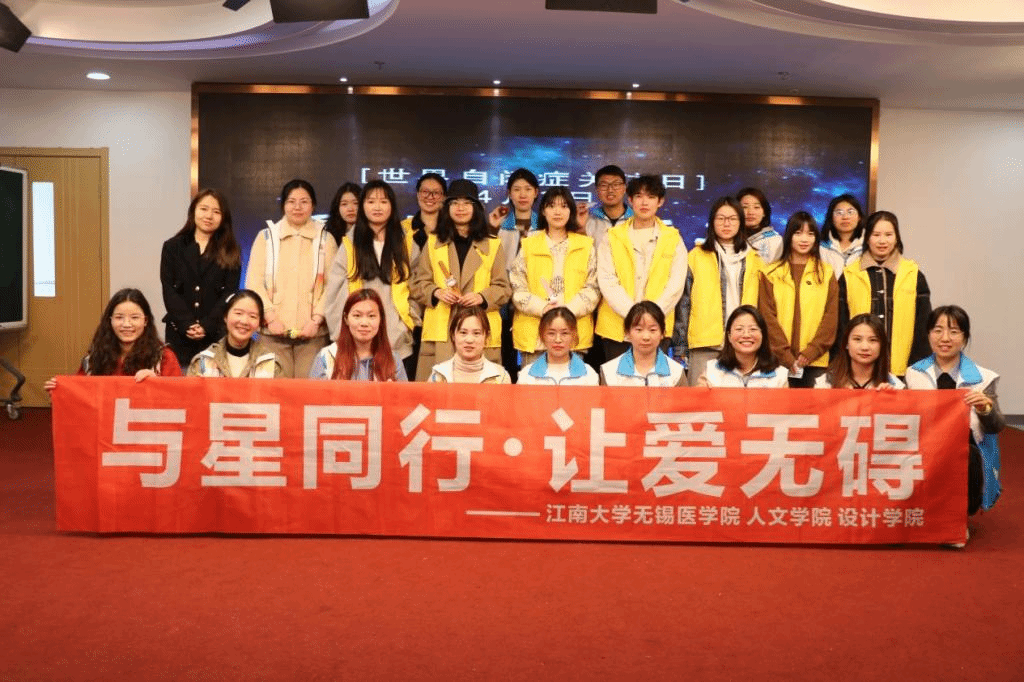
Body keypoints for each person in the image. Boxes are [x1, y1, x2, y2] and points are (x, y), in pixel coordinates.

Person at [905, 305, 1005, 515]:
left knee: (969, 458)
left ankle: (958, 516)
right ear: (928, 334)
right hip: (924, 444)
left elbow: (995, 426)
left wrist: (985, 408)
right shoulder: (913, 373)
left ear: (965, 338)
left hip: (965, 447)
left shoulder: (982, 377)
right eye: (938, 330)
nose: (945, 338)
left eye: (954, 331)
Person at [411, 179, 511, 381]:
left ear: (476, 208)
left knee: (481, 392)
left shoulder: (493, 245)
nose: (460, 208)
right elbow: (418, 283)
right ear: (447, 208)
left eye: (467, 203)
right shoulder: (433, 242)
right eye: (455, 203)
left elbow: (503, 288)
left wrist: (482, 297)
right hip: (441, 331)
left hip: (479, 330)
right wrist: (436, 292)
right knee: (437, 392)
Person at [245, 178, 338, 378]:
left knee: (309, 390)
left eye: (304, 202)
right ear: (283, 205)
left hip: (313, 335)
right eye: (291, 201)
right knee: (275, 390)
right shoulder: (266, 237)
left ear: (313, 205)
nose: (297, 207)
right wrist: (270, 318)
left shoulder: (326, 239)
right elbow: (254, 282)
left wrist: (317, 320)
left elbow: (333, 286)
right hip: (272, 334)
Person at [323, 180, 416, 376]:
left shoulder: (406, 242)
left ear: (392, 206)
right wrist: (343, 335)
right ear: (363, 206)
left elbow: (417, 287)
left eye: (383, 201)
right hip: (356, 343)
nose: (377, 207)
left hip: (398, 342)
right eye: (371, 201)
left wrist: (406, 325)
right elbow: (334, 293)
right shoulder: (350, 244)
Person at [673, 196, 765, 386]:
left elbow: (763, 305)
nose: (726, 224)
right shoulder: (696, 256)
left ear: (741, 222)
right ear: (712, 222)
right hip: (705, 342)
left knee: (738, 400)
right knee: (700, 399)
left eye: (732, 219)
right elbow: (684, 303)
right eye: (720, 218)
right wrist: (680, 345)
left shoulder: (755, 258)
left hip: (744, 343)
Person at [596, 174, 687, 360]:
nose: (644, 202)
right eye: (639, 196)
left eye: (651, 197)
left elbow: (676, 284)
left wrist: (652, 316)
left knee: (654, 377)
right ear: (630, 200)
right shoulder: (612, 236)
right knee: (617, 378)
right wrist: (634, 315)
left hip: (657, 327)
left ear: (660, 202)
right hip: (616, 329)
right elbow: (607, 280)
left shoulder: (673, 238)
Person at [510, 186, 599, 367]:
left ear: (571, 211)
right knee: (532, 384)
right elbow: (517, 287)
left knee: (572, 383)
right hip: (534, 335)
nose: (557, 212)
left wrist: (566, 312)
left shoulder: (586, 245)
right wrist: (543, 308)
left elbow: (594, 288)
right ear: (543, 211)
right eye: (551, 206)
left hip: (573, 333)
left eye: (564, 206)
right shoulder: (529, 245)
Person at [838, 210, 930, 377]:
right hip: (858, 371)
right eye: (876, 235)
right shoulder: (850, 275)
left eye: (888, 235)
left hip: (903, 369)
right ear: (867, 238)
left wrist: (916, 367)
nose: (882, 241)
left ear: (897, 238)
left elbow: (923, 326)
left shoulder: (913, 274)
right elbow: (841, 326)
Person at [159, 188, 242, 368]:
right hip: (179, 333)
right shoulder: (173, 247)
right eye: (204, 209)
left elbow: (230, 293)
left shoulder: (231, 251)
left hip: (215, 334)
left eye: (216, 211)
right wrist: (187, 323)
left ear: (223, 217)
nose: (209, 216)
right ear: (193, 211)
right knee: (178, 382)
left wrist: (206, 325)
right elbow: (169, 289)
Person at [758, 211, 838, 388]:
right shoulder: (770, 273)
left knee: (815, 406)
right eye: (798, 233)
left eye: (810, 234)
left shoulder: (826, 273)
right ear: (789, 236)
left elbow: (831, 317)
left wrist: (812, 351)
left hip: (815, 362)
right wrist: (785, 355)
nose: (804, 239)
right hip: (776, 361)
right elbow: (766, 317)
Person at [44, 288, 181, 391]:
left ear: (145, 321)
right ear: (110, 321)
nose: (126, 324)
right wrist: (60, 389)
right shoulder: (95, 357)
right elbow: (79, 391)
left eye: (134, 317)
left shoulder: (164, 358)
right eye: (119, 317)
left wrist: (158, 384)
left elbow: (180, 397)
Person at [310, 289, 407, 381]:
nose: (364, 323)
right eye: (357, 315)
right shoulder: (327, 357)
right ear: (346, 319)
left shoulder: (393, 360)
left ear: (381, 319)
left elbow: (404, 393)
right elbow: (313, 392)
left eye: (371, 316)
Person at [187, 289, 281, 378]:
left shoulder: (269, 362)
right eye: (238, 313)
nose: (244, 321)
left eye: (252, 316)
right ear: (225, 317)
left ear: (259, 323)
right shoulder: (203, 361)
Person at [600, 301, 685, 387]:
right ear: (627, 333)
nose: (646, 337)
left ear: (662, 333)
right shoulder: (609, 371)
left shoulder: (676, 372)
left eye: (652, 330)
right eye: (639, 330)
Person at [699, 305, 788, 388]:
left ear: (763, 335)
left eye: (753, 329)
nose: (746, 335)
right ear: (729, 336)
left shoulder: (779, 375)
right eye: (739, 329)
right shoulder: (712, 370)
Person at [815, 313, 903, 389]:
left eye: (873, 340)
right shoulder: (826, 382)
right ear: (846, 343)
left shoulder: (894, 385)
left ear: (882, 345)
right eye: (857, 339)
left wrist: (890, 399)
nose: (865, 347)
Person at [517, 307, 599, 385]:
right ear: (542, 336)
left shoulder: (588, 375)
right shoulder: (527, 375)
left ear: (574, 336)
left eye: (564, 333)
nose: (558, 340)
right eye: (551, 333)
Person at [428, 306, 510, 383]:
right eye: (463, 333)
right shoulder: (438, 376)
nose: (469, 340)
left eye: (476, 333)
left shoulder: (500, 377)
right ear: (453, 336)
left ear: (486, 337)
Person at [579, 164, 633, 250]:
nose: (610, 190)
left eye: (616, 184)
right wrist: (581, 229)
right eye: (604, 185)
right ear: (597, 189)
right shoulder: (588, 221)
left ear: (624, 188)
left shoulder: (636, 220)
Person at [401, 172, 447, 264]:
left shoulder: (451, 229)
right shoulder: (402, 228)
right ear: (418, 194)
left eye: (436, 193)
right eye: (425, 192)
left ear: (444, 197)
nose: (430, 197)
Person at [819, 193, 865, 279]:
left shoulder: (869, 246)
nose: (845, 217)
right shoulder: (821, 247)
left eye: (850, 212)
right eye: (839, 213)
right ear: (831, 218)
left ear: (859, 217)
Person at [736, 187, 782, 263]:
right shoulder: (729, 239)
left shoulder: (775, 241)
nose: (750, 212)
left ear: (764, 212)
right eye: (744, 207)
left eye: (756, 207)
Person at [324, 182, 361, 246]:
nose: (350, 209)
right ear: (337, 207)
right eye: (344, 204)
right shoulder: (328, 235)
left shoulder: (372, 234)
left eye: (356, 203)